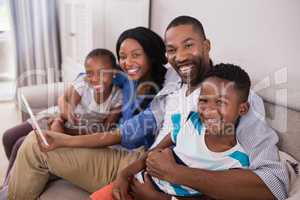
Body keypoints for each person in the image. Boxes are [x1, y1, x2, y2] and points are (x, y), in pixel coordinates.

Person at [7, 16, 288, 200]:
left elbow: (274, 182)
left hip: (153, 172)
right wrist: (127, 173)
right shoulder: (176, 88)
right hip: (141, 164)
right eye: (172, 50)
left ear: (206, 45)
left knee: (33, 144)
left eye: (188, 45)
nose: (180, 56)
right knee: (30, 142)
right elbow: (100, 76)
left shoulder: (232, 98)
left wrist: (171, 177)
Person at [91, 63, 253, 200]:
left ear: (242, 108)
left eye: (220, 102)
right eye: (203, 100)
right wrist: (124, 175)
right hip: (137, 184)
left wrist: (157, 198)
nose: (209, 110)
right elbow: (154, 152)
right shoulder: (191, 121)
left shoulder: (236, 163)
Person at [49, 48, 123, 134]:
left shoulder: (118, 96)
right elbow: (64, 100)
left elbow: (107, 128)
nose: (95, 79)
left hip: (89, 131)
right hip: (67, 122)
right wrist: (64, 117)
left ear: (114, 72)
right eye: (89, 73)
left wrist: (76, 132)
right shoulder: (83, 85)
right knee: (55, 125)